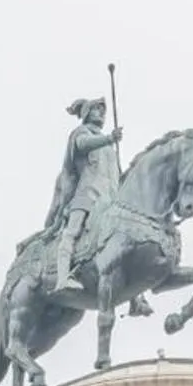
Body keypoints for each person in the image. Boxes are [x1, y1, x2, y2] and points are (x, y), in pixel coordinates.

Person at [41, 95, 125, 297]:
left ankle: (136, 297)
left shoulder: (109, 148)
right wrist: (109, 138)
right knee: (72, 231)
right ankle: (62, 277)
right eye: (97, 110)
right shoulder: (80, 133)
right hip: (87, 194)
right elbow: (83, 145)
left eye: (103, 111)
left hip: (110, 198)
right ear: (87, 113)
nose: (102, 114)